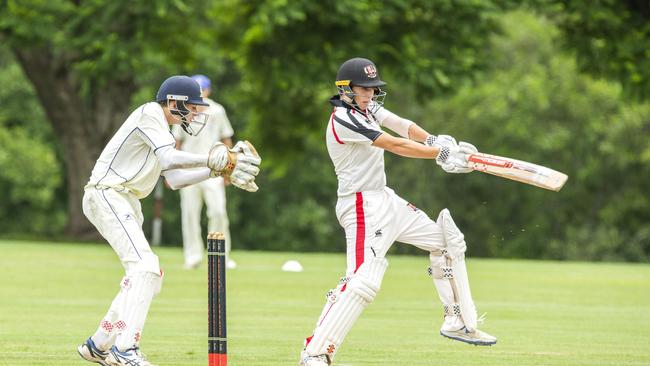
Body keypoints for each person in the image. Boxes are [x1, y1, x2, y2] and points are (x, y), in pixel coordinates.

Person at [298, 58, 496, 366]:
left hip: (385, 198)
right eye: (363, 89)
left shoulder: (368, 108)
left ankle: (456, 320)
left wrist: (433, 140)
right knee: (362, 281)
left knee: (445, 242)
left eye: (373, 89)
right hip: (360, 204)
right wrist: (441, 154)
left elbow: (402, 126)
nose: (370, 95)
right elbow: (393, 144)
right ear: (346, 89)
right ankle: (315, 352)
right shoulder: (343, 118)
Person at [77, 75, 261, 366]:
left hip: (125, 200)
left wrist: (217, 171)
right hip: (107, 195)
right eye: (194, 107)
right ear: (174, 103)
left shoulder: (161, 127)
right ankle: (125, 350)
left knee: (149, 276)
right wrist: (213, 158)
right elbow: (170, 160)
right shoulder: (150, 113)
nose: (198, 113)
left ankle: (99, 344)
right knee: (145, 268)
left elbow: (174, 179)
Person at [171, 74, 237, 270]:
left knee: (218, 211)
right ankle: (192, 256)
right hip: (188, 169)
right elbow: (177, 143)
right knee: (190, 213)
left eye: (203, 89)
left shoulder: (217, 110)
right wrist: (172, 170)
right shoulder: (181, 112)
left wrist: (229, 170)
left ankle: (221, 256)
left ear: (208, 90)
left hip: (214, 169)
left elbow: (226, 139)